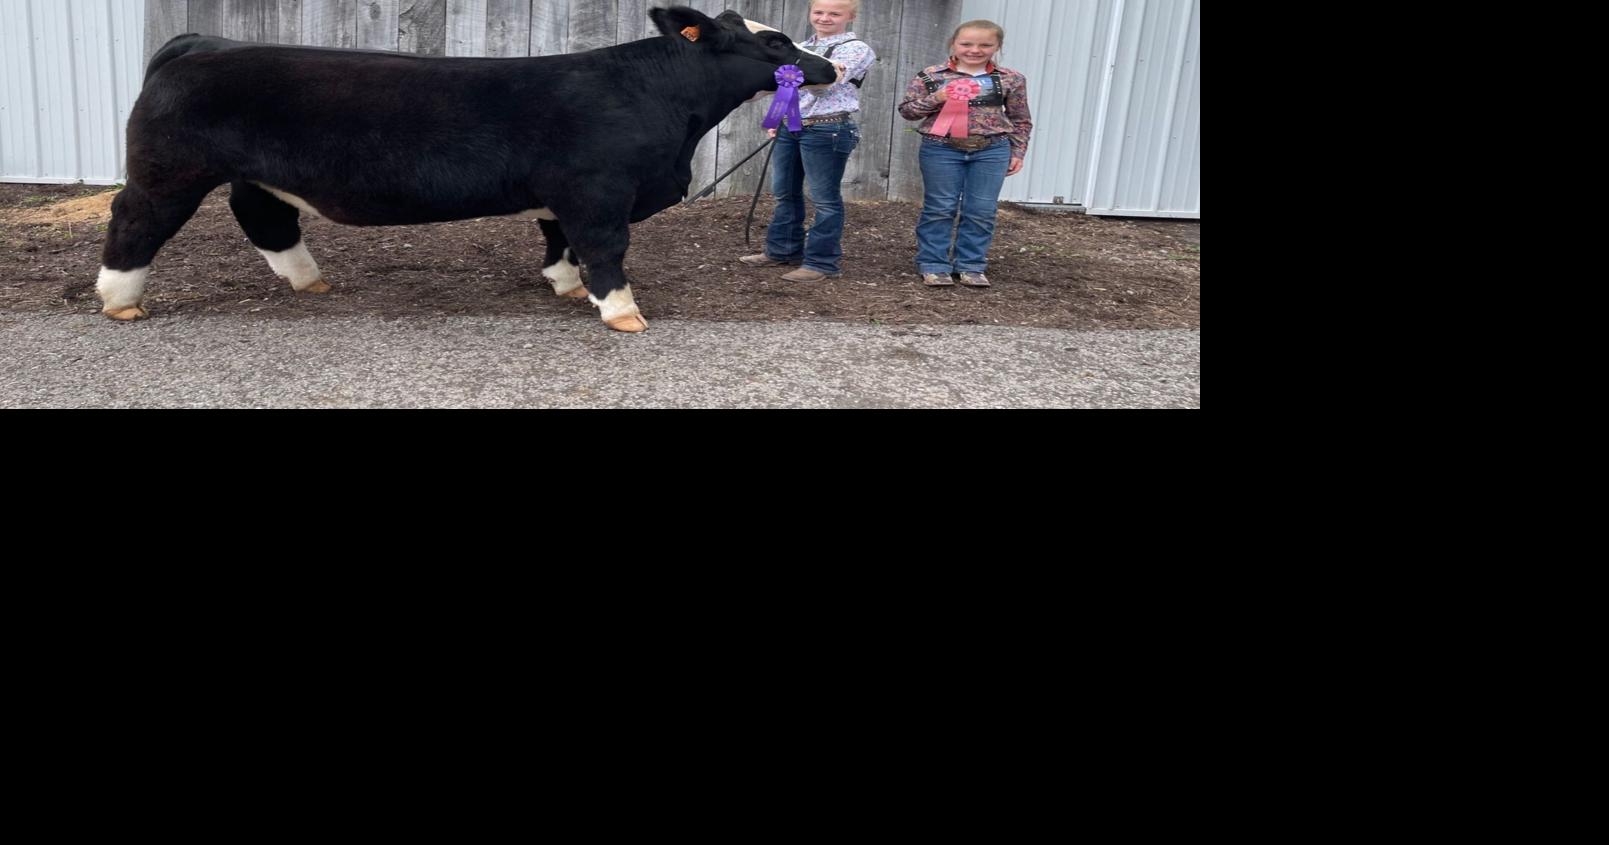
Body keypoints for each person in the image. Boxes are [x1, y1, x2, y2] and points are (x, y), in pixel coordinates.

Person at [740, 0, 876, 283]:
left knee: (824, 199)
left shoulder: (856, 49)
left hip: (828, 128)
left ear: (850, 17)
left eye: (834, 13)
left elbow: (830, 82)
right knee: (784, 192)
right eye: (819, 12)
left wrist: (809, 74)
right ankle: (782, 250)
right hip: (792, 125)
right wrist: (778, 118)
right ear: (810, 14)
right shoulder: (800, 46)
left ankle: (821, 262)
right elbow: (786, 86)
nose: (825, 18)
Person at [898, 20, 1033, 288]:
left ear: (998, 47)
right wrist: (937, 98)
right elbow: (907, 111)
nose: (975, 50)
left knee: (981, 209)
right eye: (967, 43)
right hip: (941, 149)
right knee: (940, 207)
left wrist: (1018, 150)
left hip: (992, 150)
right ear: (954, 43)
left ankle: (971, 265)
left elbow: (1021, 119)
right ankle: (934, 264)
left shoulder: (1011, 79)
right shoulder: (931, 75)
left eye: (985, 45)